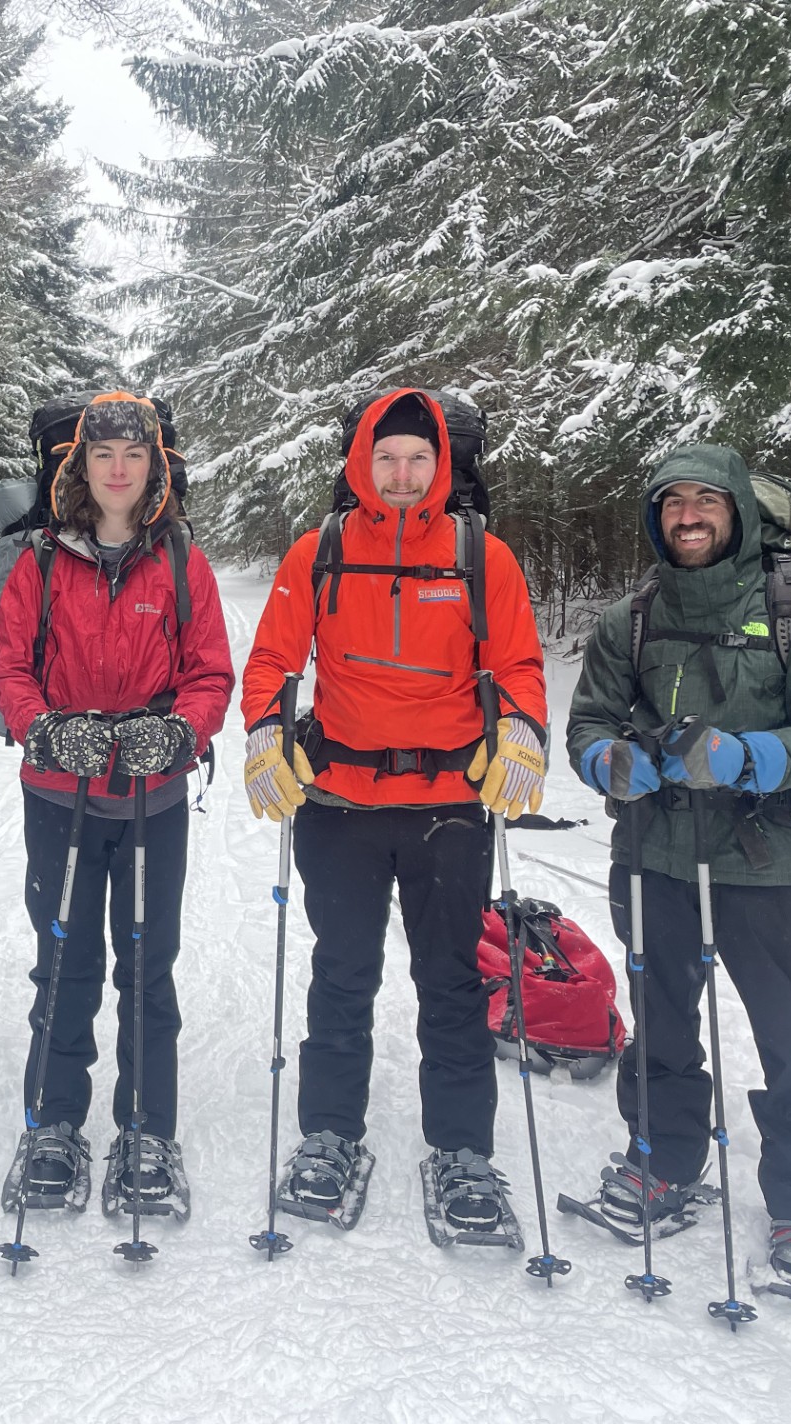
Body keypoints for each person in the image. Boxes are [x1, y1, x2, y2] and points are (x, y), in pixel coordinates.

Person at [238, 387, 547, 1242]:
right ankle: (329, 1136)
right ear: (361, 464)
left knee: (450, 980)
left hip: (449, 805)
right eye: (388, 458)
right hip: (340, 802)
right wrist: (267, 734)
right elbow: (271, 659)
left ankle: (463, 1151)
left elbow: (518, 662)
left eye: (419, 458)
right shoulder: (320, 552)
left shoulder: (483, 555)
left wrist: (521, 730)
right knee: (341, 972)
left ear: (442, 464)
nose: (404, 475)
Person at [566, 443, 791, 1305]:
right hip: (653, 855)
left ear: (733, 510)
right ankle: (661, 1164)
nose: (687, 517)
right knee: (658, 1021)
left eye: (704, 501)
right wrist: (607, 763)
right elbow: (588, 723)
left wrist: (750, 755)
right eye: (671, 504)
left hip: (765, 861)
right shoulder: (630, 617)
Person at [0, 391, 234, 1219]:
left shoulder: (181, 562)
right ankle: (54, 1122)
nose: (118, 469)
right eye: (103, 455)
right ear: (79, 466)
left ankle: (146, 1127)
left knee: (145, 963)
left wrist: (181, 734)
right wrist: (46, 730)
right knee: (64, 963)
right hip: (59, 796)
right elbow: (8, 670)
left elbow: (209, 674)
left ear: (154, 466)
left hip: (150, 799)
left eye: (133, 455)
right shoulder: (41, 563)